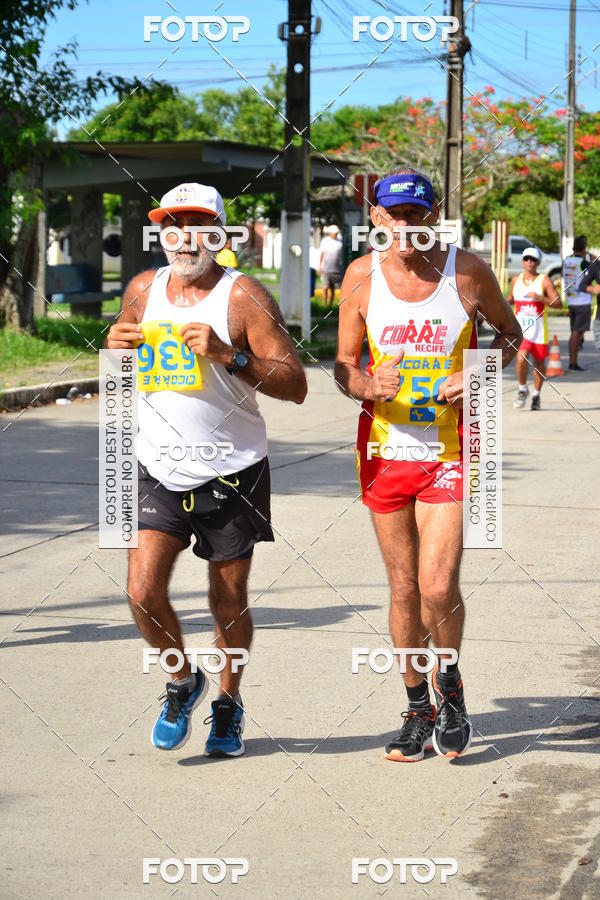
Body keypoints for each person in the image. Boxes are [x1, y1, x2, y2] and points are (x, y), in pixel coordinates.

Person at [106, 182, 307, 757]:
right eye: (172, 226)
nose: (184, 238)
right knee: (142, 591)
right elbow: (122, 357)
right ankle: (181, 680)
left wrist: (229, 354)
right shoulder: (143, 289)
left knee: (228, 599)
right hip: (157, 466)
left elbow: (295, 384)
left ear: (219, 235)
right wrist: (115, 346)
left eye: (197, 226)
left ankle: (227, 702)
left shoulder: (243, 297)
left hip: (232, 471)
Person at [335, 168, 521, 762]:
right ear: (377, 217)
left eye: (417, 214)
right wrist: (368, 384)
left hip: (454, 450)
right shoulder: (361, 276)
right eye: (394, 214)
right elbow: (343, 364)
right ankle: (418, 707)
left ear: (434, 215)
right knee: (404, 588)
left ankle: (451, 686)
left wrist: (477, 372)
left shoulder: (468, 272)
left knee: (438, 587)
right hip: (385, 451)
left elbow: (512, 335)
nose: (406, 225)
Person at [507, 247, 561, 410]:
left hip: (538, 331)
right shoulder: (516, 280)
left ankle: (536, 395)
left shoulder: (544, 280)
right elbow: (510, 299)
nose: (530, 262)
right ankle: (522, 389)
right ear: (523, 261)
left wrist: (541, 298)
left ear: (538, 262)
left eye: (533, 259)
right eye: (526, 259)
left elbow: (558, 303)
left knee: (539, 363)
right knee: (521, 359)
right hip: (521, 330)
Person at [562, 235, 592, 371]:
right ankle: (573, 363)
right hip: (582, 301)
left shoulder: (566, 261)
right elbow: (594, 273)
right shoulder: (583, 263)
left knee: (576, 332)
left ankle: (573, 359)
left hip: (571, 300)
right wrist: (591, 258)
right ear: (584, 248)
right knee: (577, 332)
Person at [318, 224, 343, 306]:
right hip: (326, 269)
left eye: (336, 233)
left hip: (336, 269)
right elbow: (321, 254)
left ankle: (331, 305)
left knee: (332, 289)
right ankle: (324, 305)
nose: (335, 234)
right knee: (325, 288)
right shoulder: (325, 241)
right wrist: (320, 266)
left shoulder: (340, 241)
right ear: (330, 233)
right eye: (334, 233)